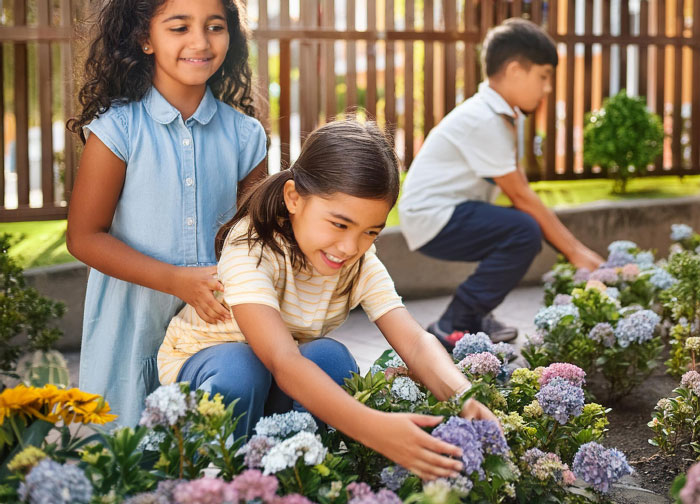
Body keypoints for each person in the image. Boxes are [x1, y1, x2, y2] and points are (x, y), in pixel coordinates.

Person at [158, 119, 499, 480]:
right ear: (294, 198)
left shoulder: (358, 260)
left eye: (370, 232)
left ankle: (302, 481)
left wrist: (464, 397)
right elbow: (282, 360)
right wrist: (374, 428)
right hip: (212, 372)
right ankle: (220, 485)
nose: (351, 247)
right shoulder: (252, 248)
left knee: (329, 359)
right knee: (242, 367)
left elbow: (413, 340)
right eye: (339, 224)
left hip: (278, 376)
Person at [66, 0, 267, 427]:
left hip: (212, 330)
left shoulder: (246, 136)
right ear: (145, 39)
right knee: (127, 458)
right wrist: (176, 280)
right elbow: (83, 237)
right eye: (179, 27)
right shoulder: (117, 130)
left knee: (207, 444)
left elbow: (255, 241)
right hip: (130, 328)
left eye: (215, 26)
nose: (200, 41)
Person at [399, 18, 603, 351]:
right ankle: (455, 323)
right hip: (432, 216)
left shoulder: (500, 115)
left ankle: (474, 317)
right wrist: (576, 253)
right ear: (514, 71)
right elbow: (522, 197)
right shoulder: (484, 119)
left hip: (446, 213)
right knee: (522, 230)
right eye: (544, 76)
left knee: (521, 228)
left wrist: (573, 250)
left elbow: (522, 189)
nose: (547, 88)